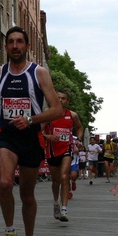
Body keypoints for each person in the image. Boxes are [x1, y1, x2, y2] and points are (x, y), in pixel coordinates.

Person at [0, 26, 63, 236]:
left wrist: (32, 119)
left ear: (26, 46)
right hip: (7, 136)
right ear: (6, 46)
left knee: (26, 195)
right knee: (4, 183)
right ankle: (10, 232)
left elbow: (57, 109)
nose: (15, 46)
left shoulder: (39, 73)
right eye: (11, 42)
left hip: (31, 138)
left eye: (20, 42)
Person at [43, 89, 83, 222]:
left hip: (67, 149)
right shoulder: (48, 115)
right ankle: (56, 203)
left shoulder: (72, 115)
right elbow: (38, 131)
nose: (60, 100)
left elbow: (79, 127)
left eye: (63, 98)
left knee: (65, 176)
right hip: (52, 150)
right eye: (58, 98)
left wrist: (78, 140)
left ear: (68, 101)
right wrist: (48, 136)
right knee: (56, 181)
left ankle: (64, 209)